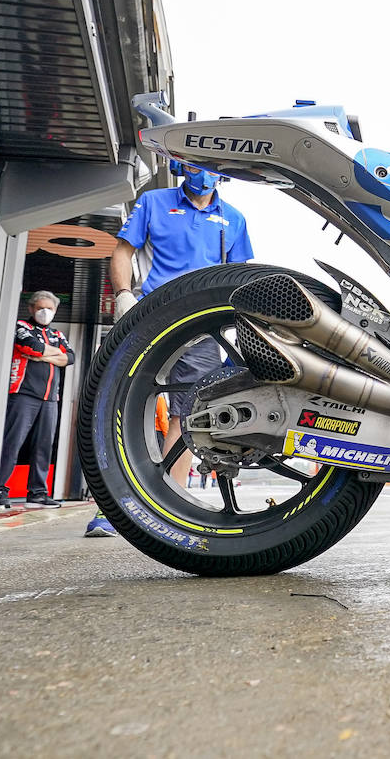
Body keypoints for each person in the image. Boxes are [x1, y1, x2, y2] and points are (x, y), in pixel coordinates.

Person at [85, 163, 254, 537]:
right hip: (149, 319)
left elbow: (239, 278)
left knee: (188, 417)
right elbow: (123, 251)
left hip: (201, 330)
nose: (202, 173)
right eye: (195, 164)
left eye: (210, 167)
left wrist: (238, 337)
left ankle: (167, 507)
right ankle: (109, 511)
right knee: (118, 408)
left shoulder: (234, 219)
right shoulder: (154, 202)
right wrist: (124, 294)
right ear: (181, 166)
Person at [0, 290, 73, 509]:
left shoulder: (58, 334)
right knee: (12, 442)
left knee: (44, 446)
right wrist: (51, 354)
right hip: (24, 394)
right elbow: (32, 347)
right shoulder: (22, 326)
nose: (45, 312)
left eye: (49, 308)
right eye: (40, 308)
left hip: (50, 398)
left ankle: (38, 492)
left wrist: (43, 355)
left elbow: (71, 357)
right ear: (31, 308)